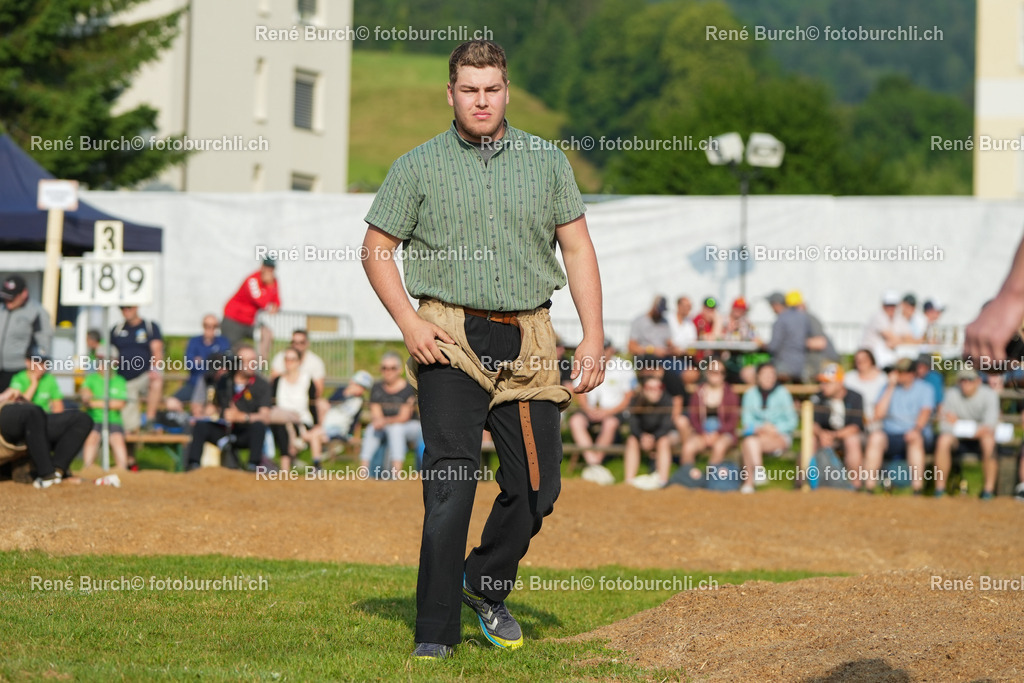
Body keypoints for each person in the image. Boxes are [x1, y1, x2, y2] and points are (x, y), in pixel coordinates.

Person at [361, 39, 604, 660]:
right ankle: (434, 636)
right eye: (469, 89)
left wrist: (594, 336)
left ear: (506, 92)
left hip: (530, 339)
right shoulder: (417, 165)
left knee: (538, 488)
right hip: (447, 336)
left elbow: (576, 249)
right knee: (451, 483)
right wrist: (408, 323)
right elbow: (377, 248)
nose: (480, 100)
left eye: (491, 89)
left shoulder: (547, 162)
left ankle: (484, 579)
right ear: (451, 94)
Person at [183, 345, 273, 472]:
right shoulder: (224, 381)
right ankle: (193, 465)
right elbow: (214, 406)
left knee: (258, 427)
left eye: (254, 360)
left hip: (245, 432)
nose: (251, 364)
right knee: (200, 426)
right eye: (246, 361)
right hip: (225, 430)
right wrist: (204, 412)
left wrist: (243, 417)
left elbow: (266, 416)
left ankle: (253, 466)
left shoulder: (261, 384)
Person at [863, 357, 936, 494]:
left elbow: (925, 413)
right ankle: (869, 487)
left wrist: (916, 430)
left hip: (915, 433)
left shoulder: (925, 388)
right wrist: (890, 387)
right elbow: (878, 414)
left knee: (915, 439)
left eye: (900, 372)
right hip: (890, 434)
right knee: (875, 437)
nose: (895, 374)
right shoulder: (887, 387)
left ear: (911, 374)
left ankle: (917, 489)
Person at [568, 339, 634, 485]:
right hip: (590, 410)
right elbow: (579, 392)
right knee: (575, 421)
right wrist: (588, 409)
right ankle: (594, 462)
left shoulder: (623, 366)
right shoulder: (588, 364)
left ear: (612, 350)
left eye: (605, 348)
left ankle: (594, 463)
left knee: (610, 423)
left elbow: (629, 396)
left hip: (613, 411)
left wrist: (608, 412)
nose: (602, 352)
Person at [0, 386, 92, 488]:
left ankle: (57, 472)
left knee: (82, 420)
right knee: (31, 412)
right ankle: (47, 474)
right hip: (7, 424)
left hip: (29, 423)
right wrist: (3, 396)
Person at [934, 369, 1000, 499]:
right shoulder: (952, 393)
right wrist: (974, 429)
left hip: (979, 439)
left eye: (969, 380)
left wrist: (958, 424)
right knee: (943, 440)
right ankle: (939, 490)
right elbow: (944, 425)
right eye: (962, 380)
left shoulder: (990, 395)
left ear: (978, 381)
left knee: (989, 441)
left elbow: (989, 427)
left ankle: (988, 490)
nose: (965, 383)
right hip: (958, 440)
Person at [357, 352, 422, 475]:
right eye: (384, 368)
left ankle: (396, 473)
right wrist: (379, 421)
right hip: (387, 425)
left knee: (395, 429)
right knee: (371, 429)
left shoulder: (408, 388)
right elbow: (376, 413)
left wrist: (384, 421)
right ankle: (363, 472)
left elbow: (404, 417)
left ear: (399, 370)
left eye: (392, 368)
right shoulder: (376, 388)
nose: (388, 371)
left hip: (410, 426)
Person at [739, 363, 797, 494]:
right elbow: (746, 421)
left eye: (772, 375)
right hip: (758, 436)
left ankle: (749, 482)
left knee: (748, 444)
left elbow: (792, 421)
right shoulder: (750, 394)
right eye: (765, 374)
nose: (768, 378)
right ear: (758, 376)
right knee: (749, 442)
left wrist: (775, 429)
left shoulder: (783, 393)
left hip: (779, 437)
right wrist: (761, 428)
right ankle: (758, 471)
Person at [680, 358, 739, 481]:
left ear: (723, 375)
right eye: (712, 371)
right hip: (702, 433)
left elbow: (732, 421)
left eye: (719, 372)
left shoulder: (730, 393)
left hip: (724, 434)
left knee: (719, 447)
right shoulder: (698, 392)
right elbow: (694, 418)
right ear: (706, 373)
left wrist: (718, 433)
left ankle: (709, 481)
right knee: (688, 447)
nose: (715, 375)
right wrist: (703, 433)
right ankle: (688, 480)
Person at [810, 363, 864, 490]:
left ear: (840, 383)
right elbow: (813, 423)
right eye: (822, 382)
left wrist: (834, 435)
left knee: (852, 440)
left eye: (827, 383)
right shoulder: (817, 397)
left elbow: (855, 426)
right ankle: (804, 483)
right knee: (810, 440)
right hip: (824, 437)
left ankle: (855, 485)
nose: (823, 386)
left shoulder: (855, 397)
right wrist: (821, 434)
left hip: (844, 436)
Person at [110, 305, 164, 433]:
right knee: (129, 429)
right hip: (124, 380)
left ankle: (150, 420)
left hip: (144, 376)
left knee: (157, 380)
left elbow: (157, 350)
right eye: (122, 308)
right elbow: (110, 354)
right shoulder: (116, 329)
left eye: (129, 307)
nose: (126, 310)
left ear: (136, 307)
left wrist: (154, 369)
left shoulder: (149, 327)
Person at [270, 346, 324, 471]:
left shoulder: (306, 379)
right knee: (282, 426)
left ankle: (316, 466)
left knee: (312, 434)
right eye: (286, 359)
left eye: (292, 359)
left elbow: (312, 403)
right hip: (282, 420)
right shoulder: (278, 380)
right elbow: (272, 402)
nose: (289, 363)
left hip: (302, 420)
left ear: (299, 362)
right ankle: (285, 468)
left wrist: (316, 424)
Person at [166, 315, 231, 416]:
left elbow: (225, 365)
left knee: (210, 408)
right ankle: (187, 420)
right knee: (171, 402)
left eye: (214, 326)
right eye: (207, 326)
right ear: (203, 326)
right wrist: (211, 362)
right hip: (194, 384)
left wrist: (202, 361)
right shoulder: (194, 341)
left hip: (214, 385)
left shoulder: (223, 342)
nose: (210, 329)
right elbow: (190, 364)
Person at [0, 275, 53, 391]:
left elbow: (43, 343)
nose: (8, 302)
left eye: (12, 298)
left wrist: (39, 365)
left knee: (14, 407)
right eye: (6, 298)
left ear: (24, 294)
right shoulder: (2, 307)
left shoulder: (36, 312)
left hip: (19, 371)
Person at [623, 376, 675, 490]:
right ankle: (628, 482)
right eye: (650, 388)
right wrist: (642, 436)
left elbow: (666, 425)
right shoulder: (635, 400)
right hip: (641, 436)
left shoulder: (667, 400)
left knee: (664, 441)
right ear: (643, 389)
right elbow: (633, 424)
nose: (655, 391)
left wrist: (653, 438)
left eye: (658, 387)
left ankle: (663, 481)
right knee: (631, 440)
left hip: (660, 437)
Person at [222, 258, 280, 358]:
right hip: (234, 318)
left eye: (272, 268)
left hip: (250, 321)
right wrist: (270, 287)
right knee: (231, 351)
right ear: (262, 267)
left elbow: (277, 300)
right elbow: (261, 302)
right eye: (267, 267)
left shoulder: (273, 281)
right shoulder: (253, 280)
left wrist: (276, 306)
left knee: (266, 333)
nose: (269, 271)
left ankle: (260, 365)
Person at [79, 367, 130, 470]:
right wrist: (86, 395)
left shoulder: (119, 380)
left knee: (117, 439)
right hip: (94, 419)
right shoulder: (91, 379)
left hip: (113, 420)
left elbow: (120, 403)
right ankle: (88, 467)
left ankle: (122, 468)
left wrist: (95, 403)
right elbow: (86, 397)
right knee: (92, 437)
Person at [321, 370, 375, 465]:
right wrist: (346, 394)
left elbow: (355, 420)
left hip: (341, 430)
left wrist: (350, 435)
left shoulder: (359, 401)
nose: (361, 390)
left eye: (364, 388)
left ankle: (319, 461)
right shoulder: (342, 391)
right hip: (327, 425)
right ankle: (318, 461)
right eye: (360, 386)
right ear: (352, 382)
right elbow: (330, 401)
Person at [271, 329, 327, 418]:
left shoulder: (315, 362)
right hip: (283, 404)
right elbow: (274, 384)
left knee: (322, 404)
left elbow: (318, 390)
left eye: (301, 342)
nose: (297, 346)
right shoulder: (279, 358)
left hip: (305, 401)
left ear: (307, 343)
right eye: (294, 342)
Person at [788, 291, 839, 382]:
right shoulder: (802, 320)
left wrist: (794, 343)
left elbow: (820, 343)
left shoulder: (809, 319)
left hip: (826, 362)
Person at [860, 290, 914, 371]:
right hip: (870, 356)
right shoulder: (878, 316)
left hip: (885, 357)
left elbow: (911, 338)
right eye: (888, 305)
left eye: (893, 305)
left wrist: (899, 340)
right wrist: (902, 339)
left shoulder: (898, 318)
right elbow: (893, 338)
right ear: (883, 306)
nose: (891, 308)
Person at [763, 292, 809, 383]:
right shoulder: (802, 317)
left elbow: (773, 347)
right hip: (801, 366)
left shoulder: (780, 320)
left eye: (771, 305)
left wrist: (761, 345)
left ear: (776, 305)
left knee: (761, 371)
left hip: (784, 366)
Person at [844, 349, 887, 433]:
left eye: (864, 359)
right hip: (853, 422)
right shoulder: (849, 377)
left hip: (876, 424)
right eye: (858, 359)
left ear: (871, 360)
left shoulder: (882, 378)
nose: (860, 362)